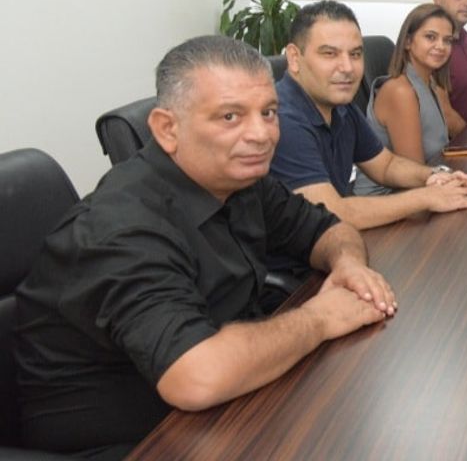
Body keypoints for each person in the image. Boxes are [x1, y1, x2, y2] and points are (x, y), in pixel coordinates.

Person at [14, 36, 395, 459]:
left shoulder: (239, 178)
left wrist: (347, 264)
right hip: (124, 440)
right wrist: (319, 318)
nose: (261, 135)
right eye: (230, 116)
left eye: (268, 113)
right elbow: (197, 377)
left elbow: (327, 227)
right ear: (167, 129)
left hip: (216, 406)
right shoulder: (122, 229)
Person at [270, 0, 467, 232]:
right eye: (330, 54)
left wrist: (435, 176)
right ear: (294, 58)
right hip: (293, 252)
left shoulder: (342, 107)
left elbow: (386, 165)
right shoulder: (283, 120)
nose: (347, 67)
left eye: (355, 54)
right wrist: (428, 197)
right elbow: (331, 212)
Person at [354, 3, 462, 195]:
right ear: (408, 42)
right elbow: (414, 177)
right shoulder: (401, 92)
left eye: (447, 40)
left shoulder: (431, 84)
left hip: (427, 183)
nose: (441, 46)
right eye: (430, 37)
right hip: (389, 198)